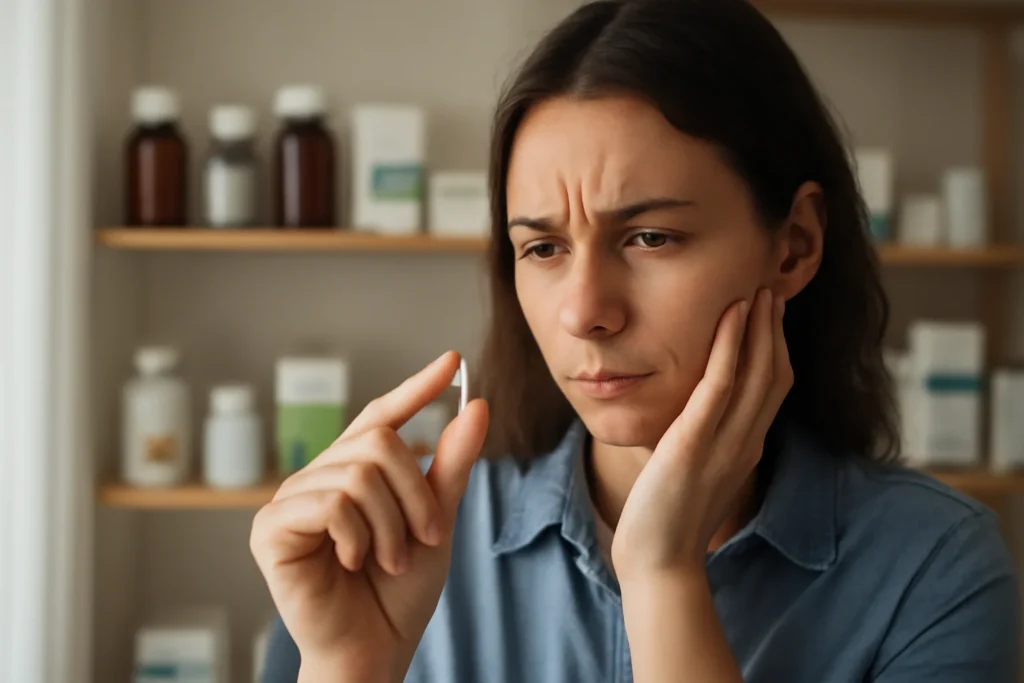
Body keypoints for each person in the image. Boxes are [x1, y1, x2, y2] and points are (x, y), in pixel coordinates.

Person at [251, 0, 1020, 681]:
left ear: (793, 246)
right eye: (543, 248)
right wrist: (351, 666)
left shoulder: (932, 569)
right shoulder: (383, 543)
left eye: (651, 237)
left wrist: (662, 575)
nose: (585, 311)